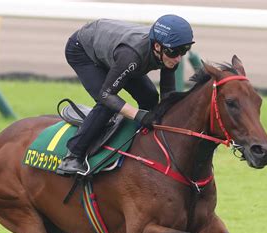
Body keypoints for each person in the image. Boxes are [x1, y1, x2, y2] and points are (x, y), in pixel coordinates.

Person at [58, 14, 195, 174]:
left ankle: (142, 142)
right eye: (175, 52)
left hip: (113, 51)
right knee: (108, 105)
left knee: (150, 97)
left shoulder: (168, 51)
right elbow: (106, 95)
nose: (179, 58)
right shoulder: (132, 56)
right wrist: (139, 115)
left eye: (184, 50)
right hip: (83, 51)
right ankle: (72, 156)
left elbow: (167, 95)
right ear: (157, 46)